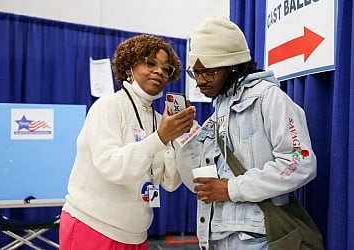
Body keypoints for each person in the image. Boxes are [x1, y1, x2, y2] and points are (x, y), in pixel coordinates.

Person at [174, 16, 318, 249]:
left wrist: (232, 188)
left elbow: (300, 162)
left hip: (260, 238)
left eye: (209, 72)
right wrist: (180, 135)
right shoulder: (219, 108)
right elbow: (199, 181)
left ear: (232, 64)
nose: (200, 81)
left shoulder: (268, 98)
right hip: (218, 237)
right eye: (196, 72)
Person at [59, 34, 196, 249]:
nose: (159, 71)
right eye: (150, 63)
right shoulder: (107, 107)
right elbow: (112, 167)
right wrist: (160, 138)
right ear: (129, 66)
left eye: (166, 68)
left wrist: (177, 137)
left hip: (136, 235)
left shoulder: (160, 120)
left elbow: (169, 182)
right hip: (93, 227)